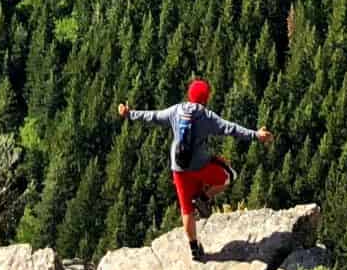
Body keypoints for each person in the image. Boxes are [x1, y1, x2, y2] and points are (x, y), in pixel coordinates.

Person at [117, 79, 273, 260]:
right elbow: (232, 129)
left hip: (179, 167)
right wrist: (256, 135)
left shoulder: (176, 111)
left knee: (186, 210)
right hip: (200, 166)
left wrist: (129, 114)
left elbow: (152, 116)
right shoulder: (206, 117)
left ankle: (194, 249)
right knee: (230, 175)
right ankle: (203, 197)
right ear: (205, 98)